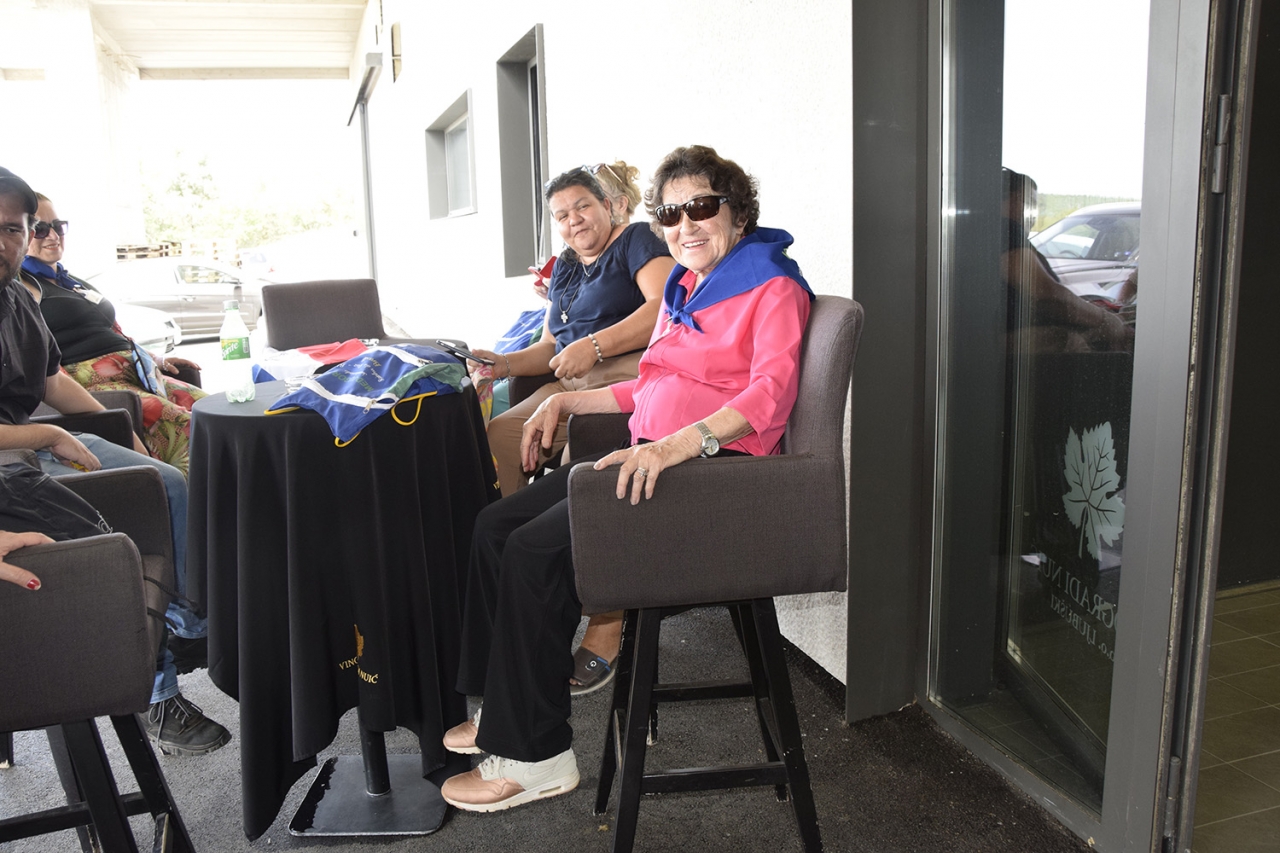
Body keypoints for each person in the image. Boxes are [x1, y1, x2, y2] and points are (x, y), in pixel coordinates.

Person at [439, 145, 814, 812]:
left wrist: (677, 444)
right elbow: (650, 384)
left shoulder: (772, 286)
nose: (684, 224)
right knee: (495, 525)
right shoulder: (690, 285)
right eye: (670, 213)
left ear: (737, 210)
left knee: (533, 551)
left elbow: (770, 395)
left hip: (713, 477)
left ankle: (535, 755)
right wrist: (565, 401)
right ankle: (507, 701)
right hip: (652, 457)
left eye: (701, 206)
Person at [0, 166, 229, 756]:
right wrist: (46, 437)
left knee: (161, 480)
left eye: (14, 229)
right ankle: (157, 695)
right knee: (101, 530)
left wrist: (117, 425)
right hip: (12, 458)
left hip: (28, 443)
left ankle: (193, 619)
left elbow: (50, 379)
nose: (5, 243)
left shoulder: (17, 299)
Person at [469, 162, 675, 499]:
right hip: (567, 384)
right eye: (562, 215)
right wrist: (501, 364)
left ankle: (565, 528)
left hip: (625, 377)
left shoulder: (636, 238)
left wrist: (594, 346)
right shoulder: (565, 264)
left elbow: (663, 307)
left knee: (575, 456)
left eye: (582, 207)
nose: (574, 220)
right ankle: (509, 521)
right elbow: (550, 346)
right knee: (500, 435)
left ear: (606, 205)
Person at [22, 193, 205, 475]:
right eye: (41, 229)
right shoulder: (22, 287)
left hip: (135, 371)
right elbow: (42, 360)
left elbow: (112, 329)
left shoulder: (70, 281)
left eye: (58, 226)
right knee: (193, 426)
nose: (54, 236)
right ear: (24, 232)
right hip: (96, 383)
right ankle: (204, 499)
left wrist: (154, 359)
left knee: (215, 410)